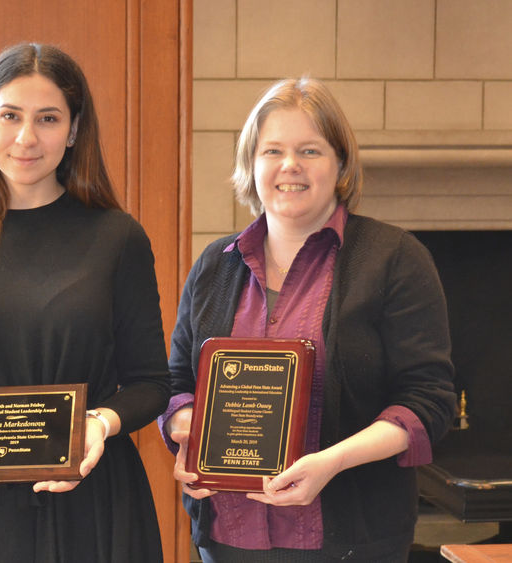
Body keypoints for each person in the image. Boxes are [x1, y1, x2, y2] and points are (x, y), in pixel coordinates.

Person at [159, 77, 455, 562]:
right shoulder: (215, 264)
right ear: (251, 164)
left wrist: (331, 462)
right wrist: (188, 430)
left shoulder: (395, 258)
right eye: (272, 150)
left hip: (354, 540)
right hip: (228, 538)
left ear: (340, 164)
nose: (289, 165)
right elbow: (175, 381)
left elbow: (429, 401)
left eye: (310, 151)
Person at [0, 43, 170, 563]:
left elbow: (150, 384)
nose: (27, 138)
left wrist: (98, 424)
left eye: (48, 118)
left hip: (95, 502)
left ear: (73, 130)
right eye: (10, 116)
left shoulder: (118, 237)